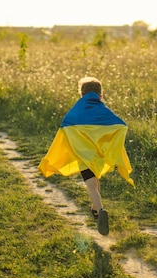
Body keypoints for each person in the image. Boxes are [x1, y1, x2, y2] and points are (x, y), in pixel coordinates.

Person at [38, 76, 134, 235]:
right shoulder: (102, 109)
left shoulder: (76, 111)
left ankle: (101, 210)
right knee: (95, 182)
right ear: (100, 95)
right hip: (98, 154)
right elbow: (120, 124)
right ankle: (95, 209)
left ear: (81, 95)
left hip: (83, 155)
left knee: (90, 185)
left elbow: (65, 126)